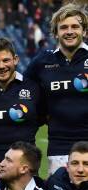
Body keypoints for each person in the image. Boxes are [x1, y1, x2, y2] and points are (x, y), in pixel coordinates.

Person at [24, 4, 88, 174]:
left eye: (75, 26)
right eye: (64, 27)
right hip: (58, 147)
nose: (69, 31)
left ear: (84, 31)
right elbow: (18, 87)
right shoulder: (42, 62)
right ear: (55, 33)